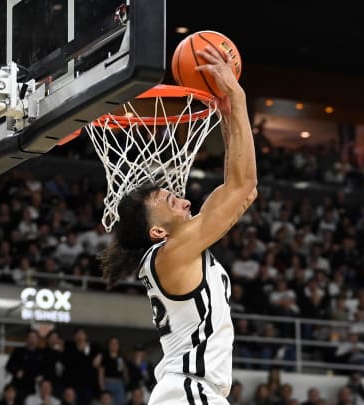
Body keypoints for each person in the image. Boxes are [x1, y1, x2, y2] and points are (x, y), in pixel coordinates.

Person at [98, 45, 257, 404]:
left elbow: (242, 192)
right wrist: (236, 94)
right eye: (171, 201)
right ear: (157, 231)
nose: (185, 200)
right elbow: (244, 186)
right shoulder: (170, 254)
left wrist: (229, 116)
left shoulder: (177, 251)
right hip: (188, 392)